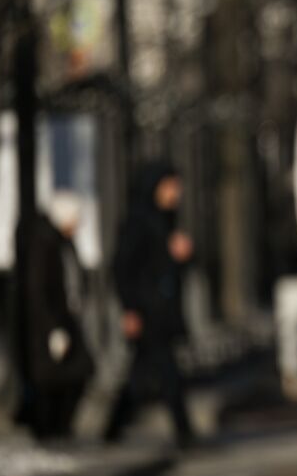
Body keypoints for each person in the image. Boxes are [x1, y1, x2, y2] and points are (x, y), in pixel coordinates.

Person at [104, 161, 196, 448]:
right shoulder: (140, 221)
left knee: (141, 374)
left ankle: (113, 428)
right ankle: (184, 431)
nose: (176, 193)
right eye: (171, 186)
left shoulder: (166, 220)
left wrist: (181, 256)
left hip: (161, 309)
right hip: (148, 310)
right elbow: (123, 267)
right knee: (166, 372)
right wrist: (130, 308)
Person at [22, 191, 96, 439]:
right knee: (53, 379)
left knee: (76, 372)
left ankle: (59, 428)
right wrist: (52, 327)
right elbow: (38, 289)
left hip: (67, 317)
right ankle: (49, 429)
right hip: (51, 323)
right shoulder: (44, 243)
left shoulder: (65, 243)